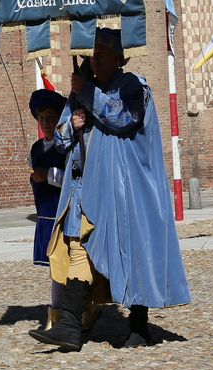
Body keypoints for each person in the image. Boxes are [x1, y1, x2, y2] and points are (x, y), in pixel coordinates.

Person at [27, 28, 190, 351]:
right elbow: (59, 140)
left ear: (119, 58)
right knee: (79, 247)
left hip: (122, 188)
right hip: (82, 189)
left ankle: (139, 325)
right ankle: (71, 325)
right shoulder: (80, 92)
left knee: (131, 250)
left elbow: (124, 117)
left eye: (102, 53)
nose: (95, 59)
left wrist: (88, 91)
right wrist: (71, 124)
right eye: (92, 53)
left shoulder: (132, 86)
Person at [28, 88, 68, 330]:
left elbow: (76, 178)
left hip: (61, 212)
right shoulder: (36, 148)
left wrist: (49, 176)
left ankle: (63, 312)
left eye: (51, 118)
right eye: (42, 118)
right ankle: (57, 310)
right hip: (44, 213)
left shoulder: (66, 146)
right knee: (53, 266)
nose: (46, 123)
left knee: (64, 263)